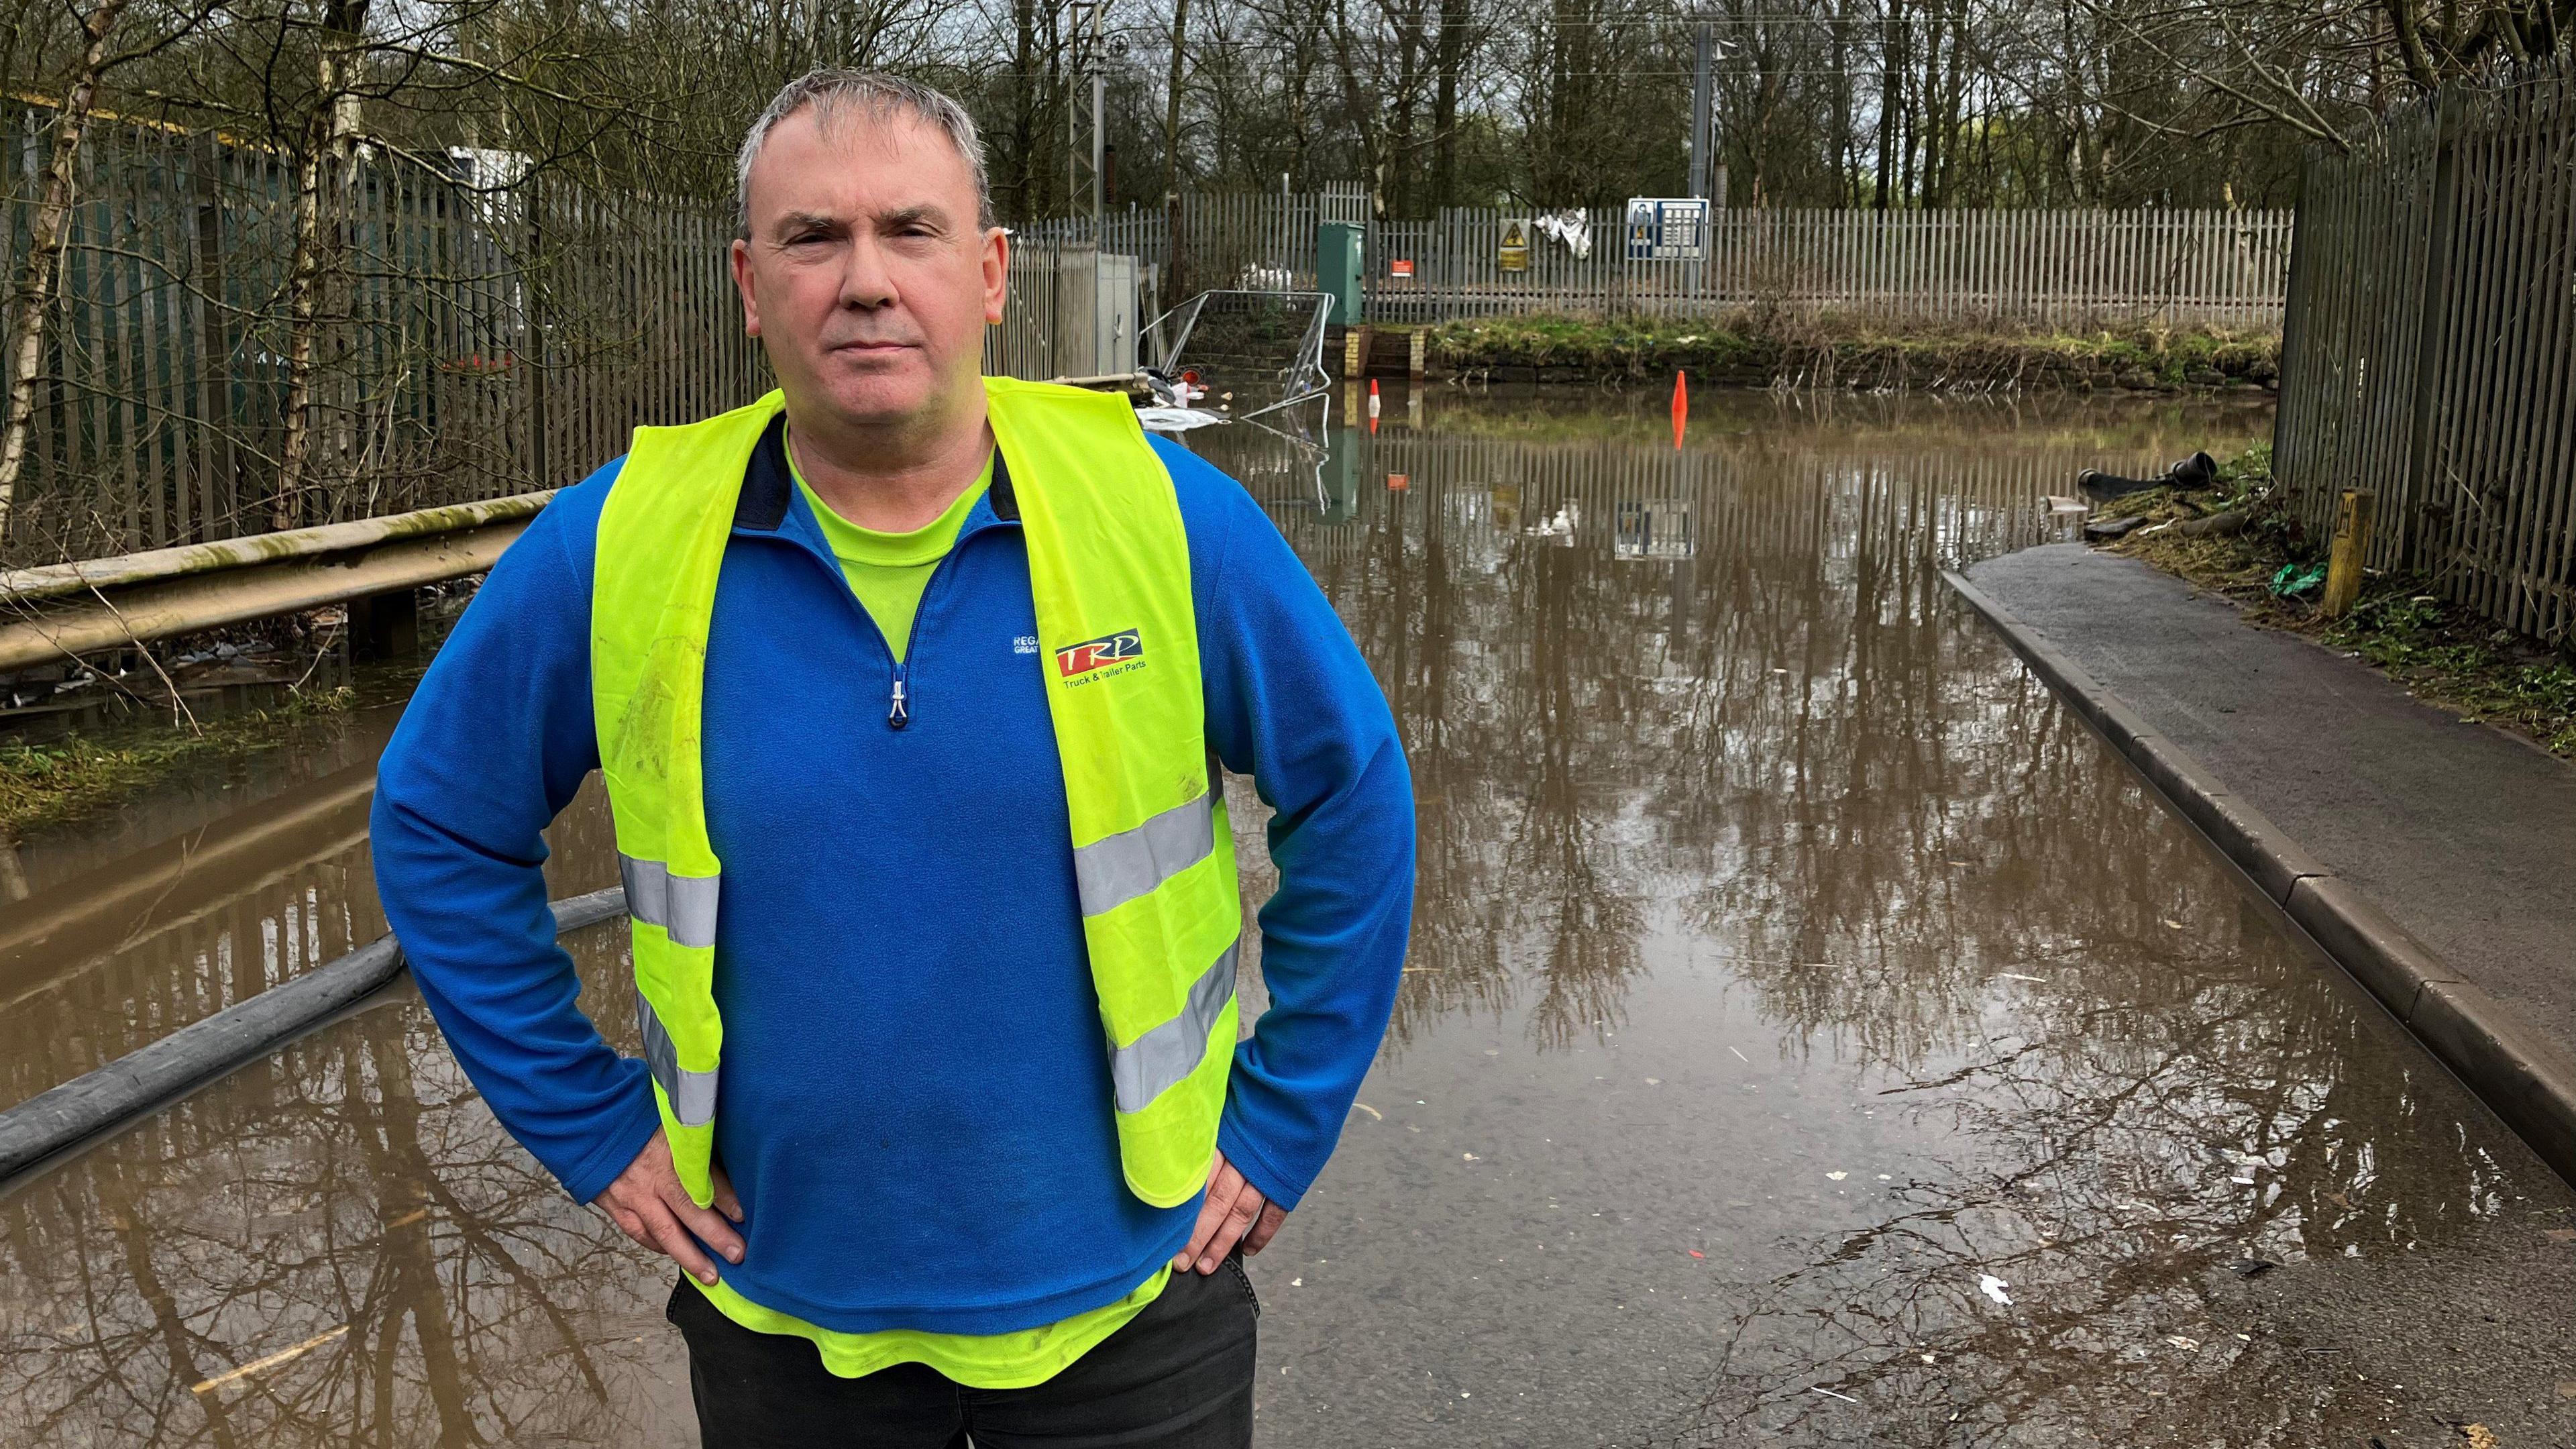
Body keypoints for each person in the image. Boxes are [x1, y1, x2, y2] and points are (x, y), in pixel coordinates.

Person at [369, 70, 1414, 1448]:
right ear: (751, 285)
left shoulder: (1161, 516)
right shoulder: (617, 542)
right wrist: (585, 1125)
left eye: (909, 232)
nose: (864, 282)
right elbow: (437, 824)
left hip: (1139, 1314)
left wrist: (1283, 1125)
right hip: (781, 1322)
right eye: (814, 239)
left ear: (987, 274)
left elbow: (1355, 791)